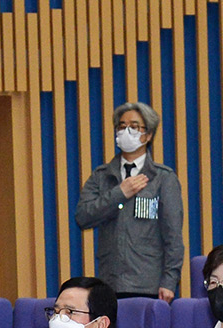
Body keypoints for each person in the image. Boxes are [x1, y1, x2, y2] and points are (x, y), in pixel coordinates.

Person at [73, 101, 183, 301]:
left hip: (149, 285)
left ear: (148, 135)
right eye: (122, 127)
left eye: (134, 127)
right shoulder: (102, 175)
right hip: (110, 282)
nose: (126, 132)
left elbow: (173, 235)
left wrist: (169, 281)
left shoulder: (163, 178)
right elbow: (83, 217)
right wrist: (119, 194)